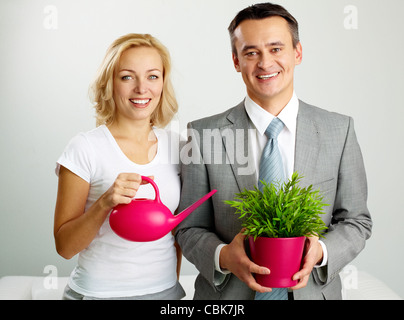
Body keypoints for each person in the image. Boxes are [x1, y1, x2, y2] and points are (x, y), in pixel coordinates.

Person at [175, 2, 372, 300]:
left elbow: (356, 220)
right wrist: (224, 256)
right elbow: (189, 227)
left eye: (276, 49)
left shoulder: (338, 130)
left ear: (298, 53)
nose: (265, 63)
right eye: (251, 52)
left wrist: (322, 251)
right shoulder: (202, 134)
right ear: (236, 61)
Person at [54, 33, 185, 300]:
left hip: (165, 292)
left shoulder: (179, 147)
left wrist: (169, 283)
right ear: (110, 83)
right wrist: (104, 203)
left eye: (152, 76)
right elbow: (65, 247)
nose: (141, 88)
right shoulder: (85, 148)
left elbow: (179, 232)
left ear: (163, 83)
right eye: (127, 76)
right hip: (98, 294)